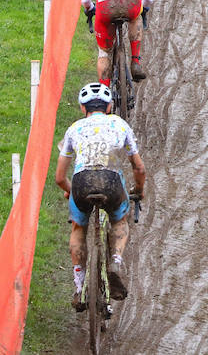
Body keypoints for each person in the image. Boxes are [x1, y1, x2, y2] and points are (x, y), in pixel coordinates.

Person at [55, 82, 147, 311]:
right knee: (119, 221)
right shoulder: (119, 124)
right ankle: (115, 261)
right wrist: (139, 190)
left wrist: (69, 190)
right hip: (111, 182)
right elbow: (139, 168)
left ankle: (79, 286)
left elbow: (59, 177)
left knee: (78, 228)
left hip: (81, 183)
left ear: (81, 107)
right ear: (109, 107)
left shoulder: (74, 128)